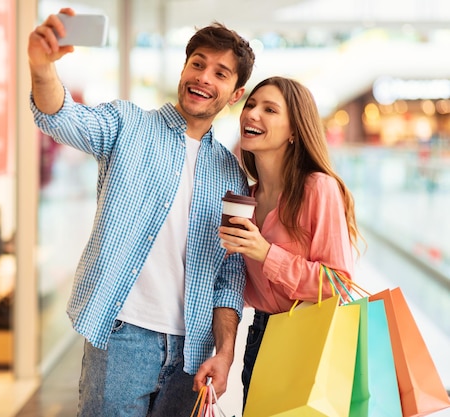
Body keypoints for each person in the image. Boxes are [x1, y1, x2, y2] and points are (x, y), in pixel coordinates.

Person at [27, 8, 255, 417]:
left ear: (235, 93)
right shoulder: (128, 125)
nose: (204, 77)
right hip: (122, 338)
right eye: (198, 64)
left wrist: (224, 352)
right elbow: (61, 116)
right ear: (184, 69)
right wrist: (42, 68)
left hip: (193, 350)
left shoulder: (232, 177)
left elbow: (228, 277)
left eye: (221, 73)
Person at [217, 76, 364, 407]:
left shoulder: (318, 188)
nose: (252, 114)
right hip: (261, 336)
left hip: (311, 338)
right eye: (251, 105)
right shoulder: (246, 200)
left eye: (269, 109)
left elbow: (339, 284)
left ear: (295, 131)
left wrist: (266, 253)